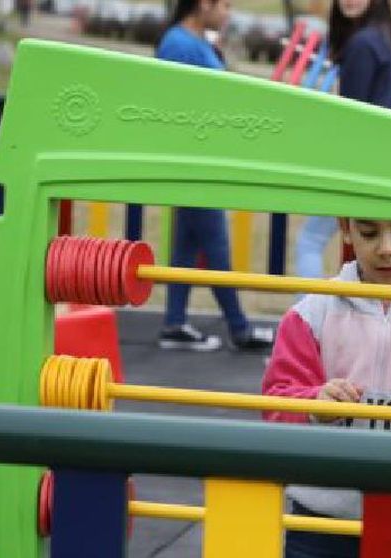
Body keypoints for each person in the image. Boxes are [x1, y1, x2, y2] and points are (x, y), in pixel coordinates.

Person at [262, 217, 391, 558]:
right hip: (321, 514)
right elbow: (276, 399)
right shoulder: (313, 312)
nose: (386, 248)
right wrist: (314, 403)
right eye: (369, 232)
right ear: (346, 229)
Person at [155, 0, 274, 352]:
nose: (228, 12)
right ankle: (239, 328)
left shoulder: (195, 41)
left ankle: (174, 323)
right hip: (193, 159)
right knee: (216, 246)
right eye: (224, 4)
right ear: (202, 4)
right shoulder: (178, 44)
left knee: (188, 246)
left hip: (201, 156)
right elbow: (178, 102)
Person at [295, 0, 391, 283]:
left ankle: (310, 320)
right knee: (379, 252)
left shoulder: (362, 44)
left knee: (310, 241)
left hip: (361, 163)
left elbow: (350, 117)